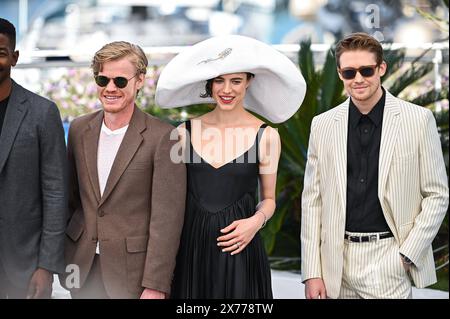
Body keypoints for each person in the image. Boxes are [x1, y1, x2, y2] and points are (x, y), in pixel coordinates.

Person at [156, 35, 306, 298]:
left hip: (241, 252)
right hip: (192, 251)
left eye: (236, 81)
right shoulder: (183, 133)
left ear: (249, 82)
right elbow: (169, 201)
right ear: (209, 85)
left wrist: (255, 223)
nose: (227, 90)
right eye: (219, 81)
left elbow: (269, 199)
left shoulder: (266, 136)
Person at [301, 32, 449, 299]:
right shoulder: (322, 125)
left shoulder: (418, 120)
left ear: (381, 68)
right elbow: (313, 201)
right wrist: (312, 272)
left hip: (389, 259)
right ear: (339, 74)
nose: (358, 79)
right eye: (349, 72)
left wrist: (407, 254)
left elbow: (437, 194)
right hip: (336, 263)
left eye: (366, 70)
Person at [61, 41, 186, 299]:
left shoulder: (164, 137)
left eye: (119, 81)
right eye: (102, 79)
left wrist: (156, 285)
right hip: (81, 268)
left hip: (134, 275)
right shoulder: (78, 129)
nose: (110, 88)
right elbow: (71, 200)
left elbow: (167, 221)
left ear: (139, 80)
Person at [0, 18, 67, 299]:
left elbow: (56, 193)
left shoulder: (43, 112)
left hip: (23, 266)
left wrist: (46, 266)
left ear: (14, 58)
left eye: (1, 52)